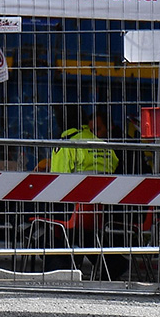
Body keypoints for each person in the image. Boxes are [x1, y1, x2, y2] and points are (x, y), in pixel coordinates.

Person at [44, 108, 126, 280]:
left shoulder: (66, 144)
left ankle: (59, 265)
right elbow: (115, 167)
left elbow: (56, 185)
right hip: (100, 211)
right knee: (85, 235)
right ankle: (111, 263)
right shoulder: (102, 144)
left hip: (73, 210)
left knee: (37, 220)